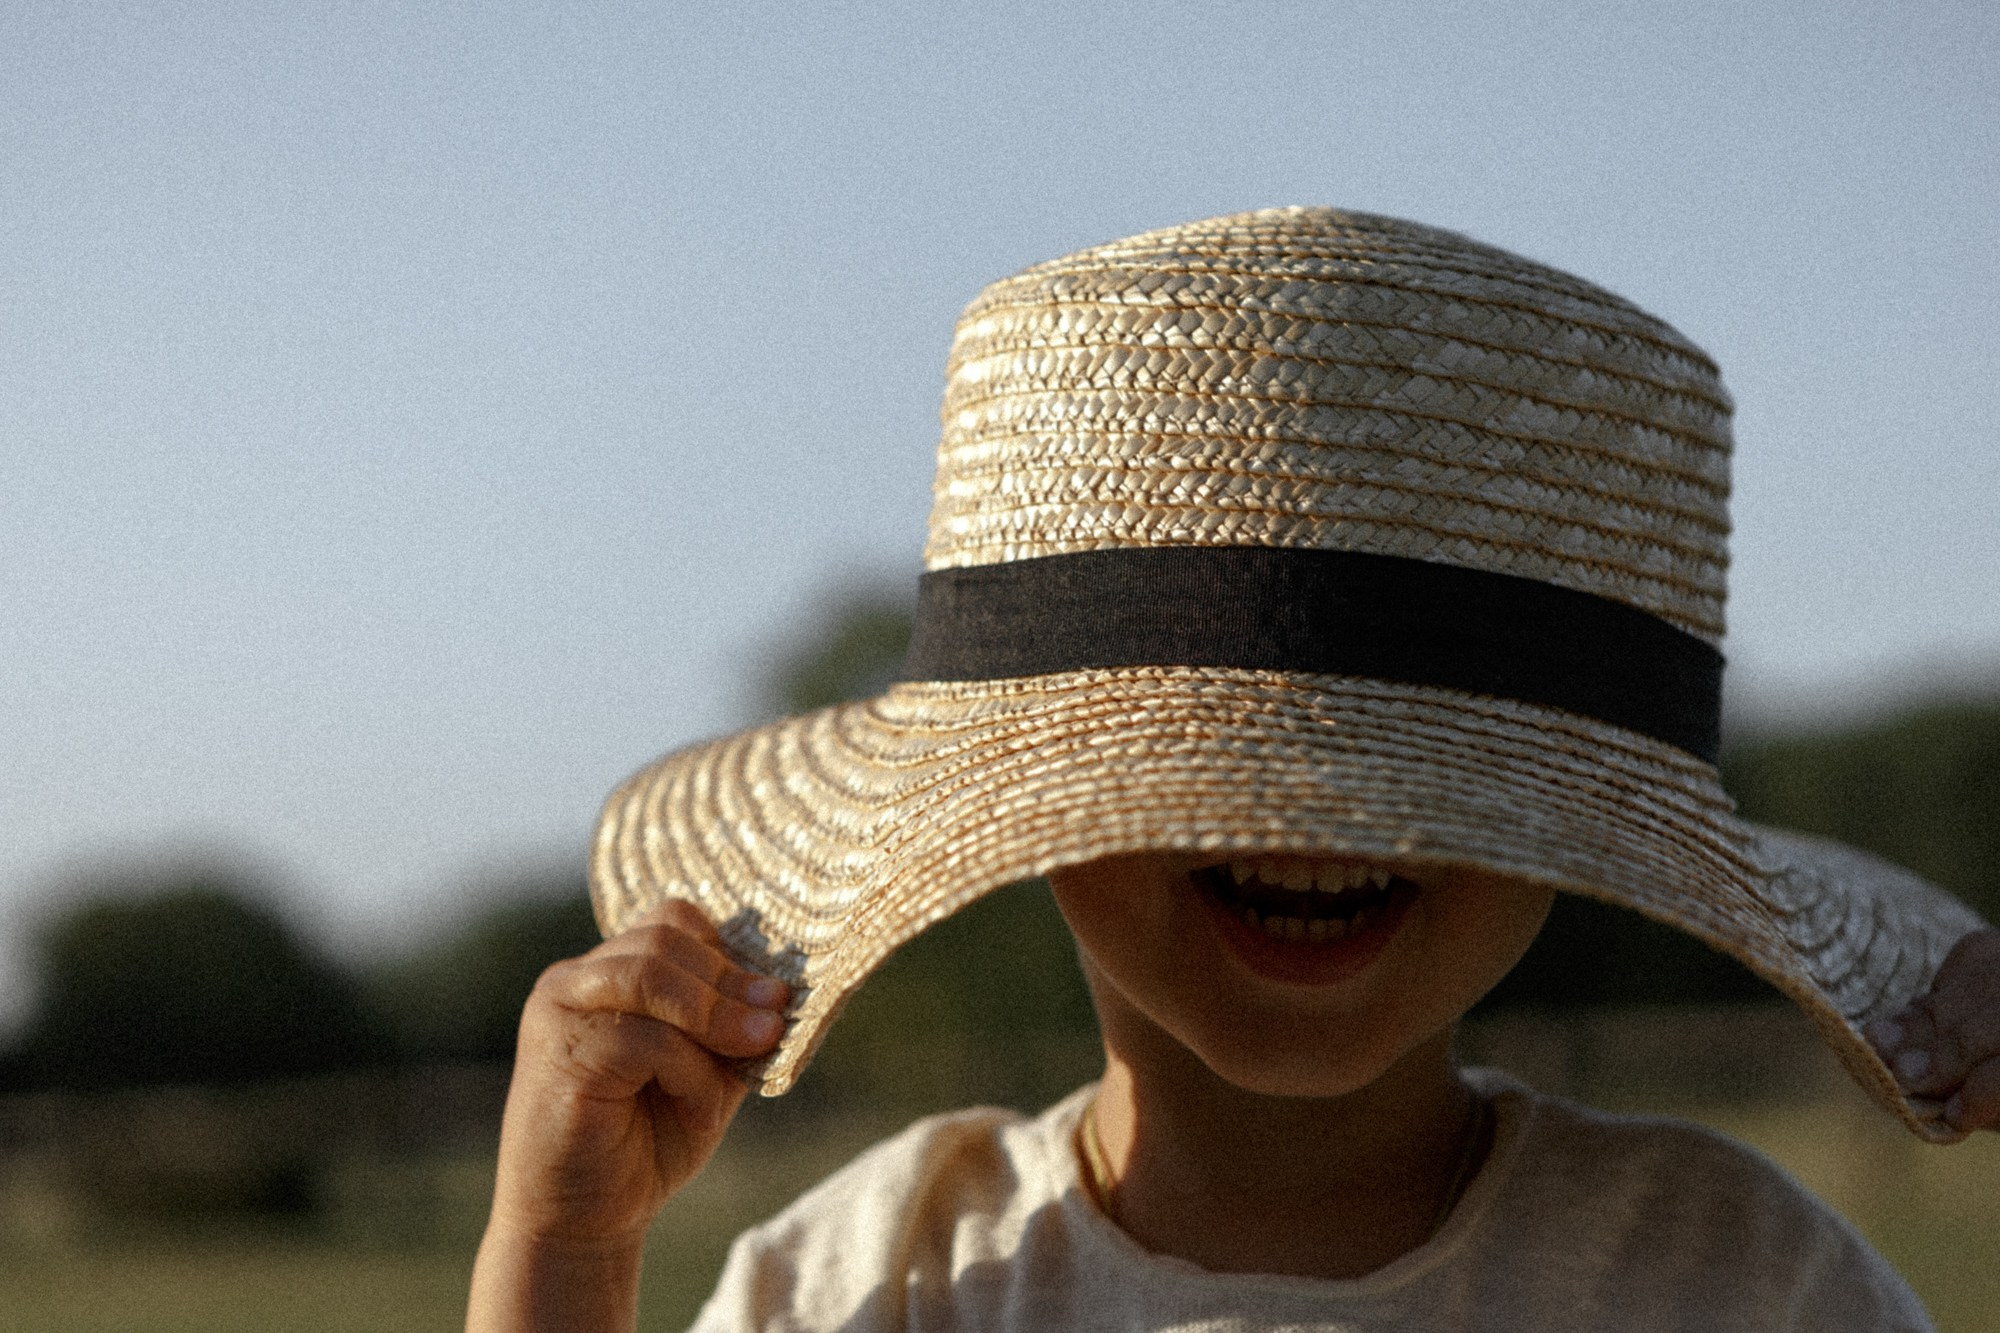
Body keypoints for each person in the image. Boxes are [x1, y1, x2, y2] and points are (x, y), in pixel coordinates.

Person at [467, 209, 2000, 1332]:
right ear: (1015, 823)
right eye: (1196, 784)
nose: (1313, 833)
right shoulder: (874, 1278)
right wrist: (562, 1252)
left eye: (1417, 784)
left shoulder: (1740, 1280)